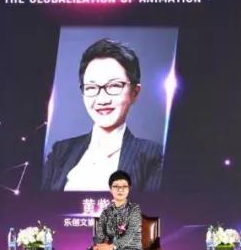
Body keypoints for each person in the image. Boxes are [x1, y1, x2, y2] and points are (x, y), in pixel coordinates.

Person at [42, 38, 163, 192]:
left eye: (114, 86)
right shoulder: (61, 152)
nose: (102, 99)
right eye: (91, 87)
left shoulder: (153, 157)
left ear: (135, 92)